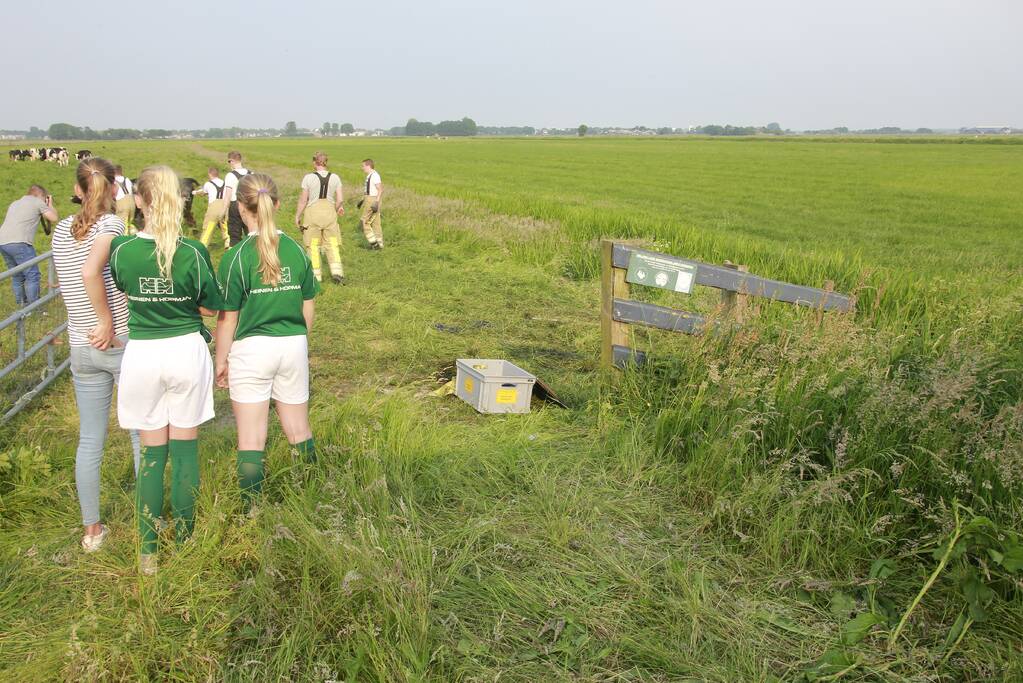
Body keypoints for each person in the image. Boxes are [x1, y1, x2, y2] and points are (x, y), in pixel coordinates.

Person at [109, 165, 223, 575]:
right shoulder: (192, 252)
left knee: (153, 452)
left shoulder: (121, 250)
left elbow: (125, 289)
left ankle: (148, 550)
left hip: (142, 354)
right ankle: (188, 539)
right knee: (186, 448)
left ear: (138, 200)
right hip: (185, 351)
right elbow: (211, 303)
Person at [53, 157, 141, 552]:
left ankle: (92, 531)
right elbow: (92, 271)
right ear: (113, 190)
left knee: (90, 439)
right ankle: (146, 519)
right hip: (117, 339)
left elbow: (69, 280)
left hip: (80, 345)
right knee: (141, 431)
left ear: (78, 189)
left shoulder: (58, 231)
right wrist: (106, 320)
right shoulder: (111, 225)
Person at [216, 173, 318, 510]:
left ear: (241, 210)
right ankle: (312, 501)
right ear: (276, 205)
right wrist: (298, 343)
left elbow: (227, 317)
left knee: (251, 437)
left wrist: (221, 360)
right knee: (299, 430)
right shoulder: (297, 249)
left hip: (252, 350)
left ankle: (252, 513)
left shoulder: (236, 257)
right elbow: (308, 303)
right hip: (292, 345)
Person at [0, 184, 58, 306]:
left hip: (3, 242)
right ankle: (35, 307)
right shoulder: (37, 202)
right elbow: (53, 218)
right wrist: (50, 204)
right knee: (32, 275)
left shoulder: (15, 203)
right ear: (41, 195)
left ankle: (22, 307)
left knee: (17, 275)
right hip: (19, 242)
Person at [294, 152, 344, 284]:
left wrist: (298, 215)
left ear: (314, 163)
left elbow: (303, 200)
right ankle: (337, 272)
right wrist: (337, 208)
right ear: (326, 162)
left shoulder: (308, 178)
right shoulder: (335, 177)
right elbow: (340, 199)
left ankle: (316, 277)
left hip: (313, 213)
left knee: (313, 245)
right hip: (329, 212)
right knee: (332, 243)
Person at [222, 151, 252, 247]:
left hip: (235, 205)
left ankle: (235, 255)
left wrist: (224, 211)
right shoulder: (252, 173)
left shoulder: (230, 176)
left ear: (231, 161)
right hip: (250, 204)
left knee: (235, 235)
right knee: (251, 232)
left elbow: (228, 195)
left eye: (229, 161)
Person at [195, 167, 229, 247]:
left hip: (213, 208)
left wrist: (195, 192)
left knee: (208, 228)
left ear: (210, 174)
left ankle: (202, 247)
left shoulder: (208, 184)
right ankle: (228, 244)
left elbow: (203, 192)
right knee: (225, 228)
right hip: (225, 207)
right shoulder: (225, 183)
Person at [359, 158, 384, 249]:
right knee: (376, 223)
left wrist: (376, 202)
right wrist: (362, 200)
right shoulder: (370, 175)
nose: (362, 168)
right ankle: (380, 244)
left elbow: (380, 189)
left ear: (368, 166)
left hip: (372, 201)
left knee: (365, 222)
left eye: (363, 166)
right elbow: (369, 189)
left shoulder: (374, 176)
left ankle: (374, 243)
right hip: (369, 199)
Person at [113, 166, 135, 234]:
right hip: (132, 204)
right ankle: (132, 235)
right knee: (130, 224)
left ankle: (124, 240)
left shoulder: (114, 181)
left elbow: (113, 194)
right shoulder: (127, 179)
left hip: (121, 204)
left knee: (122, 225)